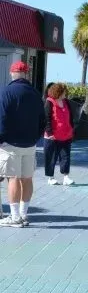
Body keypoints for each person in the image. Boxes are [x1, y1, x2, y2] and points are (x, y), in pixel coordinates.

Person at [0, 61, 46, 227]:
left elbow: (2, 118)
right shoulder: (35, 93)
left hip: (10, 144)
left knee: (12, 178)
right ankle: (24, 214)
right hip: (30, 144)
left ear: (12, 73)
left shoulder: (5, 92)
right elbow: (43, 120)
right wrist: (35, 138)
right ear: (26, 74)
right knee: (27, 179)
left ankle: (14, 217)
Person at [44, 83, 75, 185]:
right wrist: (49, 133)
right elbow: (46, 118)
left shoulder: (66, 102)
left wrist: (72, 129)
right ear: (58, 92)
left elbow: (70, 117)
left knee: (66, 156)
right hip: (52, 136)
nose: (65, 93)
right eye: (64, 92)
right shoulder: (49, 102)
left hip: (66, 134)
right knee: (51, 157)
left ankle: (66, 177)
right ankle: (50, 178)